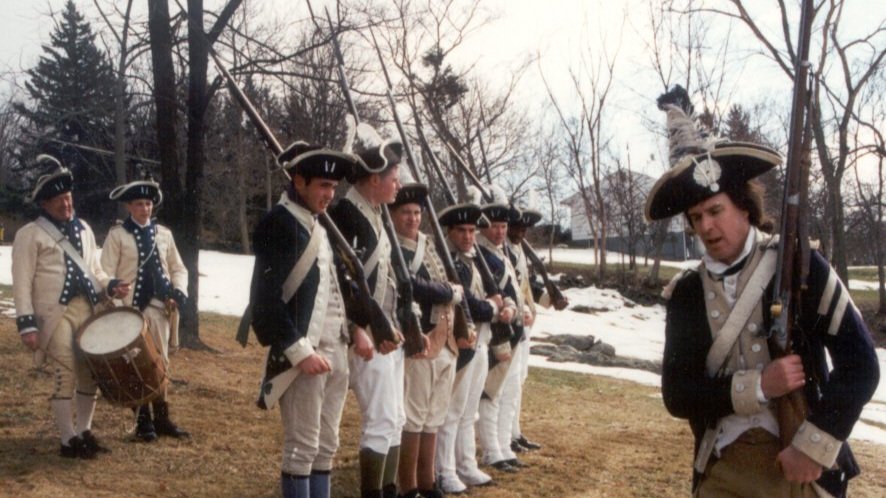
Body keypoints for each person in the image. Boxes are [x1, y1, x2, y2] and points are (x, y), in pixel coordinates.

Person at [651, 86, 880, 497]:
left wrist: (814, 446)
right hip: (723, 468)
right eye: (696, 217)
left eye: (715, 210)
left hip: (799, 468)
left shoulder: (800, 268)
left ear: (743, 206)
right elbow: (678, 395)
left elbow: (861, 364)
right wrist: (758, 386)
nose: (706, 227)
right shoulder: (687, 293)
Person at [244, 141, 362, 498]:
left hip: (335, 351)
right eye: (323, 185)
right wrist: (300, 351)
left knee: (327, 443)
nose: (329, 194)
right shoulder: (278, 224)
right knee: (302, 446)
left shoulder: (317, 225)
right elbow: (264, 304)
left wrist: (354, 330)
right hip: (303, 354)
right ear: (299, 182)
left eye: (333, 187)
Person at [12, 154, 129, 459]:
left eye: (68, 197)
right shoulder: (30, 235)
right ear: (45, 204)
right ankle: (67, 440)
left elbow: (95, 270)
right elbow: (21, 283)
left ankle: (84, 432)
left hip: (87, 310)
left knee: (90, 371)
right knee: (65, 371)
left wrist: (111, 284)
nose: (66, 204)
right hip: (55, 314)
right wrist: (27, 324)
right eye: (59, 200)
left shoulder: (85, 230)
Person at [327, 125, 404, 498]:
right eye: (394, 177)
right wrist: (358, 326)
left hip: (385, 332)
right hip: (364, 334)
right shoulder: (345, 215)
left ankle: (389, 490)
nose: (398, 185)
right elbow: (342, 282)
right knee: (380, 420)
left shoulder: (374, 213)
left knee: (395, 418)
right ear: (374, 179)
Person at [389, 183, 464, 498]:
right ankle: (408, 487)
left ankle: (427, 481)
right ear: (393, 214)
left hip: (445, 340)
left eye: (417, 212)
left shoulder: (428, 244)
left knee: (434, 417)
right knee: (414, 416)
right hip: (420, 341)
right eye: (406, 212)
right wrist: (449, 292)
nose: (412, 218)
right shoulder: (393, 247)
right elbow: (412, 285)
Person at [102, 173, 189, 442]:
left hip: (160, 308)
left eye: (148, 204)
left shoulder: (164, 234)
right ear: (129, 206)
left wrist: (178, 291)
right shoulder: (117, 235)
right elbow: (104, 271)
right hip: (130, 310)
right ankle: (143, 421)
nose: (145, 208)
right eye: (139, 204)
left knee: (160, 360)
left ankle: (162, 418)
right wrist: (115, 292)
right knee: (136, 364)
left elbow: (178, 268)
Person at [435, 202, 509, 494]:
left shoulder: (471, 260)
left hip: (481, 342)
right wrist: (493, 307)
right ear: (450, 232)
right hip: (462, 344)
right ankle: (445, 470)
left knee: (469, 411)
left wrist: (500, 305)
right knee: (452, 410)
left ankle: (466, 463)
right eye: (461, 231)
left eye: (471, 231)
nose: (468, 237)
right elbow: (472, 304)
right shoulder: (451, 263)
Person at [475, 198, 524, 472]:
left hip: (512, 331)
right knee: (491, 393)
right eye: (494, 226)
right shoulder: (482, 254)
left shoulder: (499, 252)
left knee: (508, 392)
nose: (500, 231)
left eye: (503, 226)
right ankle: (492, 451)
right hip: (496, 333)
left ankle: (504, 446)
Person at [503, 206, 544, 455]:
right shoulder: (504, 250)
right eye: (516, 228)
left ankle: (514, 432)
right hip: (513, 321)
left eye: (524, 229)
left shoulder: (517, 250)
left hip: (525, 321)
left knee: (519, 381)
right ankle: (505, 437)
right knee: (508, 384)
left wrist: (548, 298)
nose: (521, 232)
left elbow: (528, 285)